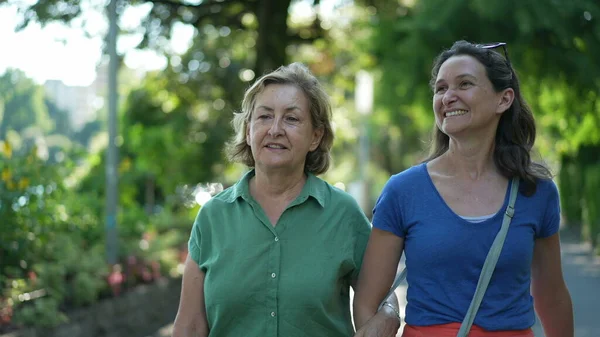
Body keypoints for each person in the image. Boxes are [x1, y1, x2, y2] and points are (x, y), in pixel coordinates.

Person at [353, 40, 574, 337]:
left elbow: (552, 295)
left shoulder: (536, 192)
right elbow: (369, 301)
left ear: (503, 99)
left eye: (464, 84)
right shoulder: (403, 191)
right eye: (441, 88)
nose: (448, 97)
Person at [171, 62, 400, 337]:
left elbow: (382, 294)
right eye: (264, 117)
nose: (275, 129)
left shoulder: (343, 213)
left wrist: (389, 315)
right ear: (248, 131)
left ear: (316, 136)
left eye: (291, 119)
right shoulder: (212, 217)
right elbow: (190, 327)